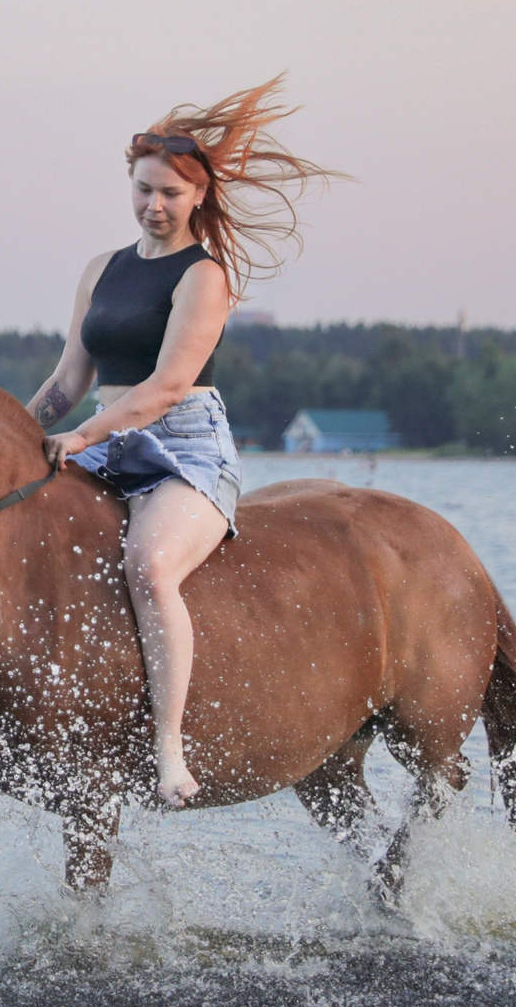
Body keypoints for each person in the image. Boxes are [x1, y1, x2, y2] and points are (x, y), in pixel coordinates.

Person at [27, 78, 336, 807]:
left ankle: (168, 745)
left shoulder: (204, 277)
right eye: (143, 189)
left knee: (149, 562)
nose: (154, 205)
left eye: (169, 192)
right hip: (102, 440)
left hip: (184, 449)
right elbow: (70, 377)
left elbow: (166, 386)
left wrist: (83, 436)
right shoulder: (101, 269)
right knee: (6, 522)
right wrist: (15, 434)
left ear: (197, 196)